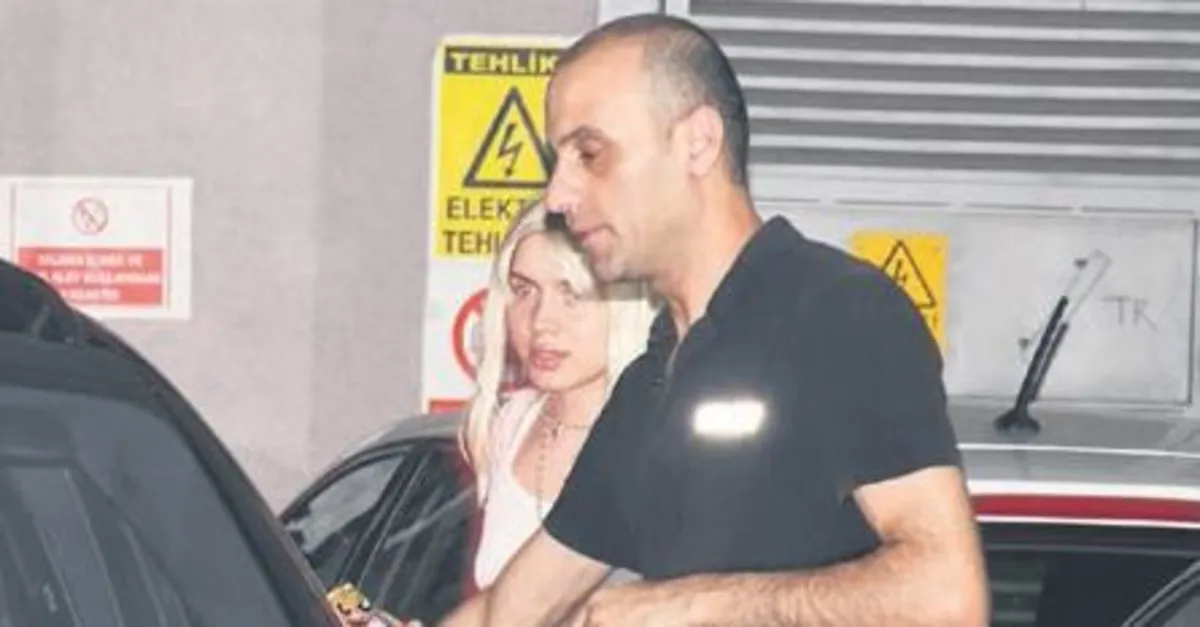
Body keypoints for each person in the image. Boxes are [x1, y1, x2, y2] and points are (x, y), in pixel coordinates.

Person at [440, 12, 989, 627]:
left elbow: (946, 597)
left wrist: (692, 605)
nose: (559, 195)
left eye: (590, 155)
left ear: (698, 142)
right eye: (559, 161)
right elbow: (513, 610)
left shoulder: (838, 313)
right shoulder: (651, 379)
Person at [337, 201, 655, 627]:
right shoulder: (511, 425)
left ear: (624, 302)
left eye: (572, 294)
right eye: (524, 291)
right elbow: (498, 613)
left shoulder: (656, 442)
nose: (541, 321)